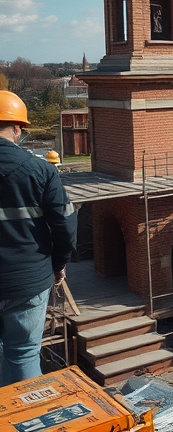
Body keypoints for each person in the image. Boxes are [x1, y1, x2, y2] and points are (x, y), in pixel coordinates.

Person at [0, 90, 77, 386]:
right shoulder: (40, 170)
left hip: (25, 279)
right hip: (28, 280)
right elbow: (64, 226)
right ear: (18, 128)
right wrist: (58, 265)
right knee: (23, 354)